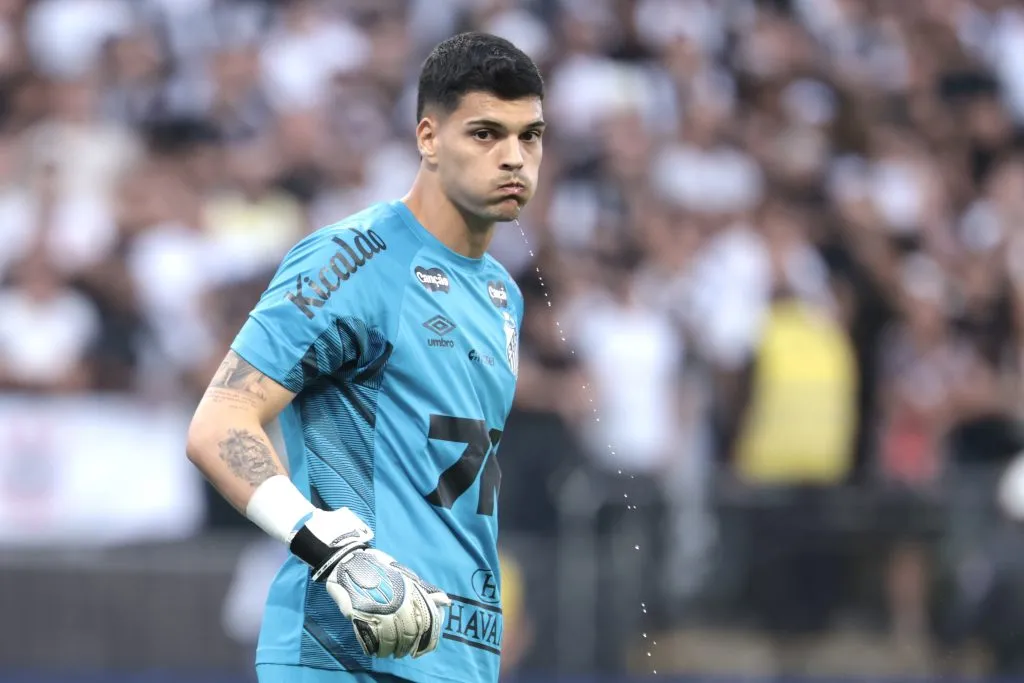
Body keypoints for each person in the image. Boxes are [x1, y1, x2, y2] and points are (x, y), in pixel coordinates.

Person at [185, 32, 545, 683]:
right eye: (486, 134)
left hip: (458, 659)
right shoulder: (353, 259)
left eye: (530, 136)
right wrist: (326, 545)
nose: (514, 158)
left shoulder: (504, 295)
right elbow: (219, 423)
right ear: (428, 138)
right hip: (343, 653)